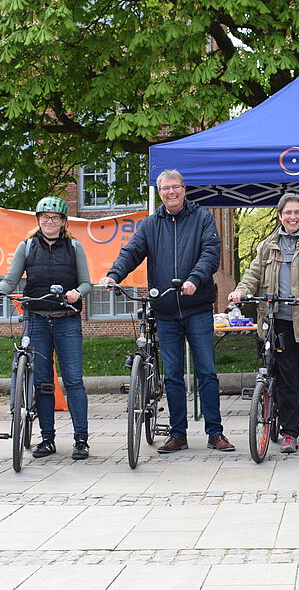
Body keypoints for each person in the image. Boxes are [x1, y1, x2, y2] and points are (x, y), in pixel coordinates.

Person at [100, 169, 235, 454]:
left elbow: (211, 253)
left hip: (196, 306)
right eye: (165, 189)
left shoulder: (202, 218)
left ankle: (215, 432)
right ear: (159, 193)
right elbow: (131, 252)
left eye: (175, 187)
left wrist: (193, 280)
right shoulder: (150, 224)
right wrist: (114, 275)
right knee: (172, 375)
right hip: (165, 310)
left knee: (206, 372)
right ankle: (178, 434)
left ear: (184, 189)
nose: (170, 192)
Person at [0, 196, 92, 460]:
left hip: (67, 320)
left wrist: (76, 293)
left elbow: (87, 283)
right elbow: (10, 279)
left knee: (73, 381)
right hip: (37, 319)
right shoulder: (27, 247)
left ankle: (81, 439)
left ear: (63, 222)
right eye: (44, 218)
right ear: (38, 220)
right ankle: (47, 438)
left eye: (55, 218)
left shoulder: (75, 247)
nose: (49, 222)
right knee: (42, 383)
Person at [228, 193, 299, 453]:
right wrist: (240, 291)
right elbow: (253, 273)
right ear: (280, 215)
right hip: (280, 322)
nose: (292, 217)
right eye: (287, 212)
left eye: (297, 212)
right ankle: (289, 433)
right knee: (287, 381)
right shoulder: (267, 245)